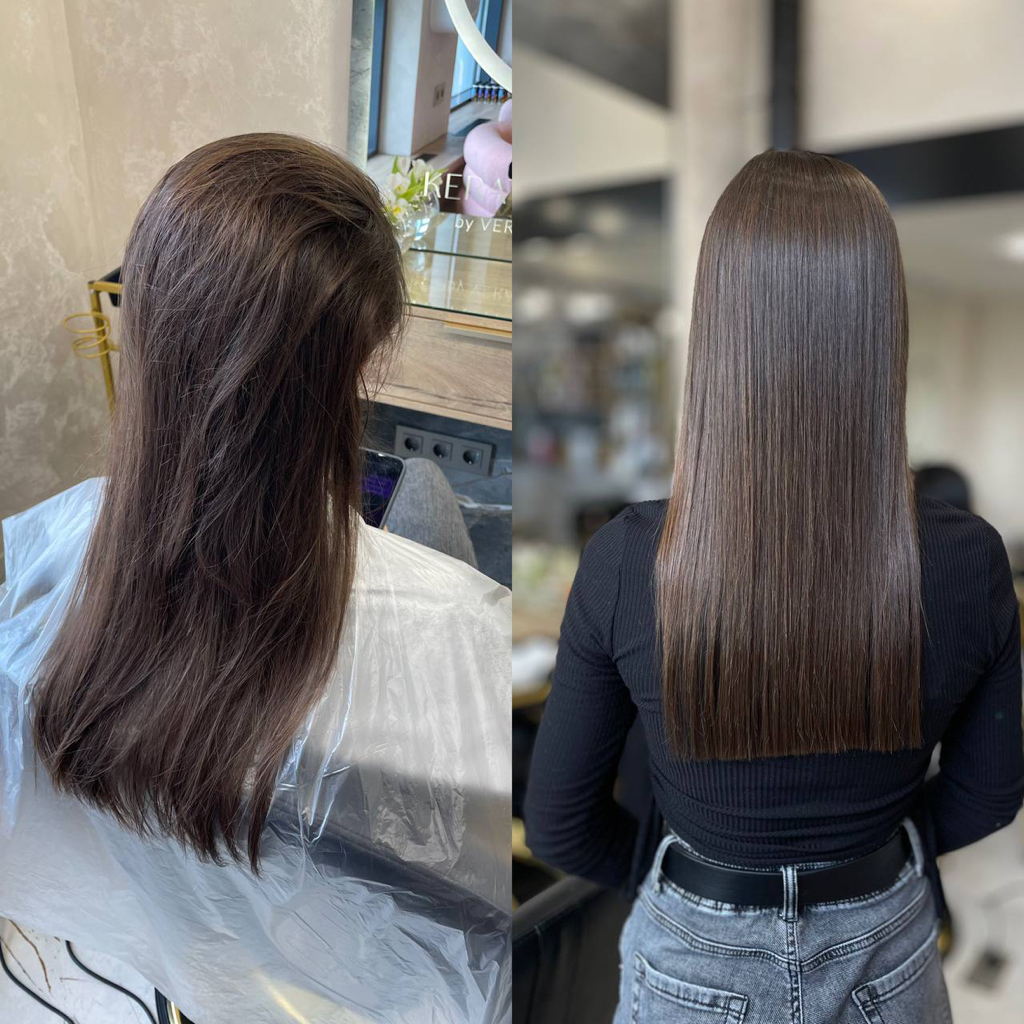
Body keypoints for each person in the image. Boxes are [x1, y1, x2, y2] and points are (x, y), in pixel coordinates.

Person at [0, 134, 510, 1024]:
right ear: (363, 358)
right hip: (346, 982)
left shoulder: (37, 554)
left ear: (144, 331)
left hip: (171, 956)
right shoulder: (458, 626)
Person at [524, 150, 1023, 1023]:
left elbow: (561, 824)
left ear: (720, 324)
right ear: (882, 323)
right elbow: (989, 793)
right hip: (890, 945)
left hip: (691, 957)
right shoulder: (969, 559)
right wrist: (879, 855)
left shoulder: (627, 559)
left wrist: (671, 880)